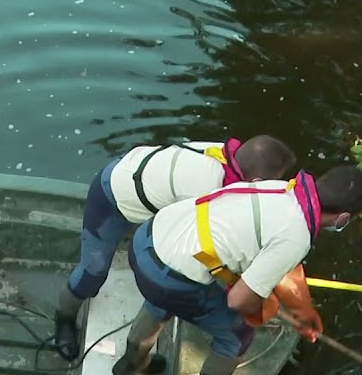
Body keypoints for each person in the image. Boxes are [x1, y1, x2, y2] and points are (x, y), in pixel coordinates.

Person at [113, 165, 362, 375]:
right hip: (169, 277)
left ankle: (131, 363)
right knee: (237, 335)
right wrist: (262, 311)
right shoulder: (296, 235)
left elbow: (286, 264)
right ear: (344, 217)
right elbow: (239, 301)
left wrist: (304, 311)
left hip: (148, 241)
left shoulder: (280, 189)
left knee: (163, 298)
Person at [54, 135, 296, 360]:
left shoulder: (229, 157)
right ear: (254, 181)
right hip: (112, 195)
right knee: (92, 273)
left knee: (164, 287)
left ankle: (135, 354)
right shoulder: (209, 188)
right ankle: (63, 319)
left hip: (152, 189)